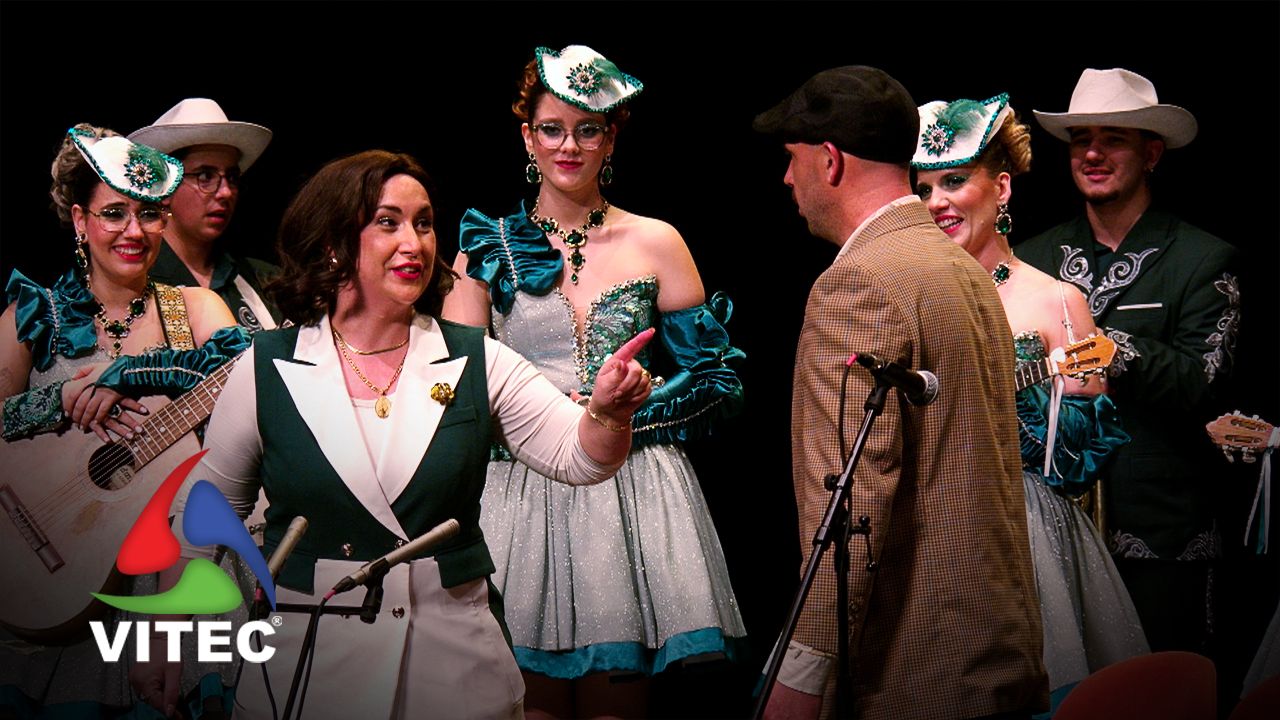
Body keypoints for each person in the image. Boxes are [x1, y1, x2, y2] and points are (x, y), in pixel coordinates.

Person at [128, 149, 655, 719]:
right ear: (334, 242)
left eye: (423, 223)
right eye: (388, 222)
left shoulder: (477, 359)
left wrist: (608, 412)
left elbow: (581, 458)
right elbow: (206, 516)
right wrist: (163, 636)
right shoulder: (266, 366)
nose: (415, 243)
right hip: (309, 666)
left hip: (454, 667)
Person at [441, 45, 747, 719]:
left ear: (611, 138)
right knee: (526, 703)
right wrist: (541, 416)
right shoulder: (487, 245)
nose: (569, 146)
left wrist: (624, 408)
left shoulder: (656, 241)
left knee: (618, 702)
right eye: (552, 129)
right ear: (528, 136)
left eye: (588, 130)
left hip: (631, 487)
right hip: (522, 487)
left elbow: (714, 378)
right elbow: (452, 386)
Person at [752, 66, 1048, 719]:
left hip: (915, 666)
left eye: (791, 159)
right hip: (995, 646)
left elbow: (849, 500)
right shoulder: (964, 271)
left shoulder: (859, 282)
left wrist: (802, 672)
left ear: (829, 161)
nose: (786, 179)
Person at [0, 126, 249, 715]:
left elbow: (248, 383)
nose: (134, 232)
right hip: (58, 567)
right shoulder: (35, 316)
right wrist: (60, 398)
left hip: (170, 571)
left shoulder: (194, 309)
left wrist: (133, 375)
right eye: (114, 213)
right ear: (80, 220)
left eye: (150, 214)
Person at [911, 93, 1148, 711]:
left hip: (1019, 528)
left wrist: (1032, 412)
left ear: (1002, 188)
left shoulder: (1054, 300)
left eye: (954, 182)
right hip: (925, 518)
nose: (936, 203)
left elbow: (1079, 461)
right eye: (925, 188)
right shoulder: (910, 296)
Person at [1017, 68, 1240, 656]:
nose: (1092, 153)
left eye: (1113, 139)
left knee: (1163, 687)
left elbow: (1205, 382)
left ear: (1152, 153)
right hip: (1052, 521)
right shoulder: (1031, 258)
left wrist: (1116, 350)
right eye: (1081, 139)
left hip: (1162, 526)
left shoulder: (1201, 257)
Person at [129, 98, 284, 333]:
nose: (225, 192)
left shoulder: (265, 280)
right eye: (205, 176)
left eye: (231, 178)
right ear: (165, 187)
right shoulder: (134, 281)